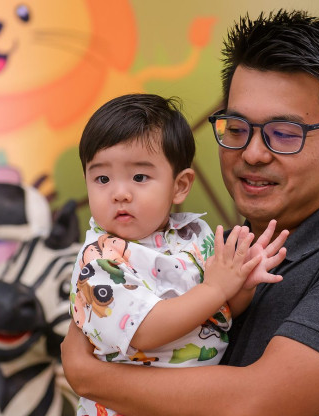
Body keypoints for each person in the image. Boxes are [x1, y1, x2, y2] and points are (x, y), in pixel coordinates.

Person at [61, 10, 319, 415]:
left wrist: (88, 375)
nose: (253, 153)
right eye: (237, 129)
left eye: (285, 134)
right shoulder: (207, 253)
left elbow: (250, 403)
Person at [70, 93, 288, 416]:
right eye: (102, 178)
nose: (120, 193)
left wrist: (241, 284)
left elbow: (220, 313)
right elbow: (144, 331)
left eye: (139, 177)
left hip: (196, 401)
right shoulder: (99, 261)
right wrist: (215, 288)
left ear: (180, 186)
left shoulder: (194, 236)